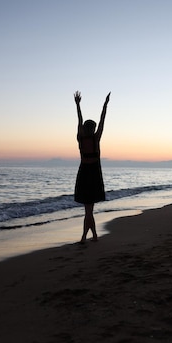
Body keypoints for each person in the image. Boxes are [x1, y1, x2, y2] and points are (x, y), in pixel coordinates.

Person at [73, 90, 111, 243]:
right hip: (91, 174)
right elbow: (98, 120)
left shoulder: (86, 138)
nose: (94, 130)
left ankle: (87, 237)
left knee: (88, 210)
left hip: (88, 174)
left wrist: (78, 105)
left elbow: (84, 120)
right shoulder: (90, 138)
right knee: (89, 210)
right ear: (92, 128)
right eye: (93, 128)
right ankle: (91, 236)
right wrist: (104, 105)